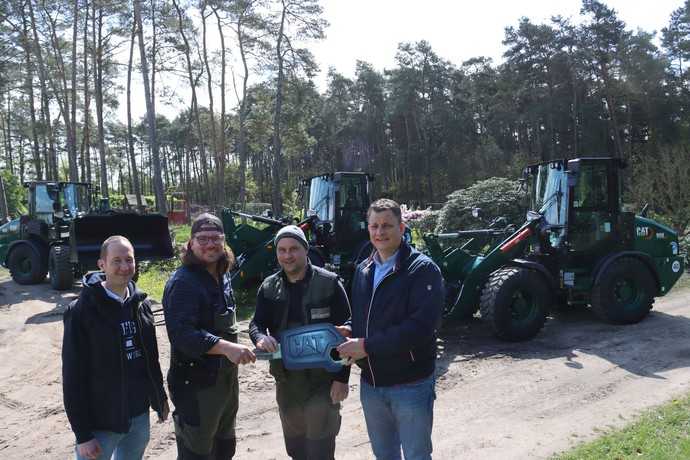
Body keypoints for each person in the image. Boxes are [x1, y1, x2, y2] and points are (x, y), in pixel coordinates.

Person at [337, 198, 444, 460]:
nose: (379, 232)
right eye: (374, 226)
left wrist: (366, 346)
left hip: (410, 384)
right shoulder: (364, 269)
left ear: (402, 227)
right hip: (372, 385)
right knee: (384, 455)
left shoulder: (422, 270)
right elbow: (363, 317)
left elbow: (420, 328)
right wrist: (350, 329)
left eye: (387, 225)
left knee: (416, 455)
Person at [62, 235, 169, 460]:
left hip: (139, 417)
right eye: (116, 261)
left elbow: (151, 359)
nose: (124, 267)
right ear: (102, 265)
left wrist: (159, 399)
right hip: (101, 423)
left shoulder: (142, 305)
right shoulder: (81, 311)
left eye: (129, 260)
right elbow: (73, 377)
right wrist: (82, 435)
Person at [249, 225, 351, 460]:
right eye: (282, 250)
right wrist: (260, 337)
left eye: (294, 248)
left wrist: (341, 379)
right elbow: (255, 323)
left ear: (306, 250)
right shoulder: (268, 287)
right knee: (295, 450)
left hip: (323, 382)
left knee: (320, 451)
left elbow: (348, 328)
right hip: (286, 382)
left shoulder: (330, 283)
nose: (287, 255)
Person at [163, 213, 256, 460]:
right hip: (196, 386)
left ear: (224, 241)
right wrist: (225, 347)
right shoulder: (183, 282)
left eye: (216, 238)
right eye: (202, 239)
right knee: (198, 453)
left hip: (225, 382)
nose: (210, 244)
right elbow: (182, 335)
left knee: (225, 448)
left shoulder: (222, 275)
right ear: (191, 243)